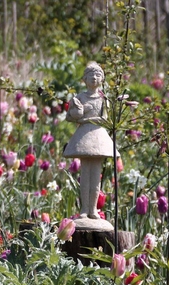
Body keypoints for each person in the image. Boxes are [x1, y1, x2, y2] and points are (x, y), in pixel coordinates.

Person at [63, 62, 117, 220]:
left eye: (98, 75)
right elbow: (69, 116)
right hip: (84, 135)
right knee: (85, 174)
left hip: (98, 136)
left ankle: (93, 209)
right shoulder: (79, 97)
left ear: (102, 79)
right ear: (84, 79)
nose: (94, 77)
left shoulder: (103, 99)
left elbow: (105, 119)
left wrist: (89, 115)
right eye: (91, 75)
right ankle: (84, 209)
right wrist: (78, 112)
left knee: (96, 177)